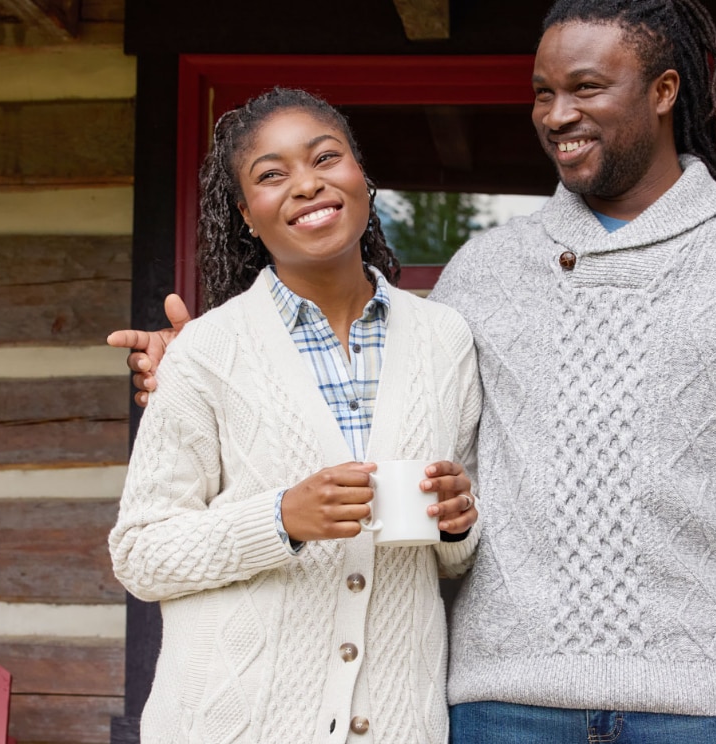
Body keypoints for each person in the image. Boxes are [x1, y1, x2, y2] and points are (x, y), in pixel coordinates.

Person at [114, 1, 716, 742]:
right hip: (501, 702)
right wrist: (197, 362)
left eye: (586, 87)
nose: (558, 114)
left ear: (664, 92)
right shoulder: (481, 275)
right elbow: (369, 392)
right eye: (543, 93)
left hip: (702, 706)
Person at [108, 87, 483, 744]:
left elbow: (456, 558)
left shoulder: (445, 339)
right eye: (271, 175)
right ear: (247, 214)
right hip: (232, 726)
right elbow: (140, 554)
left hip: (397, 726)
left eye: (325, 159)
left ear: (362, 178)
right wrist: (279, 519)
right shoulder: (204, 352)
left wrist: (459, 523)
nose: (306, 185)